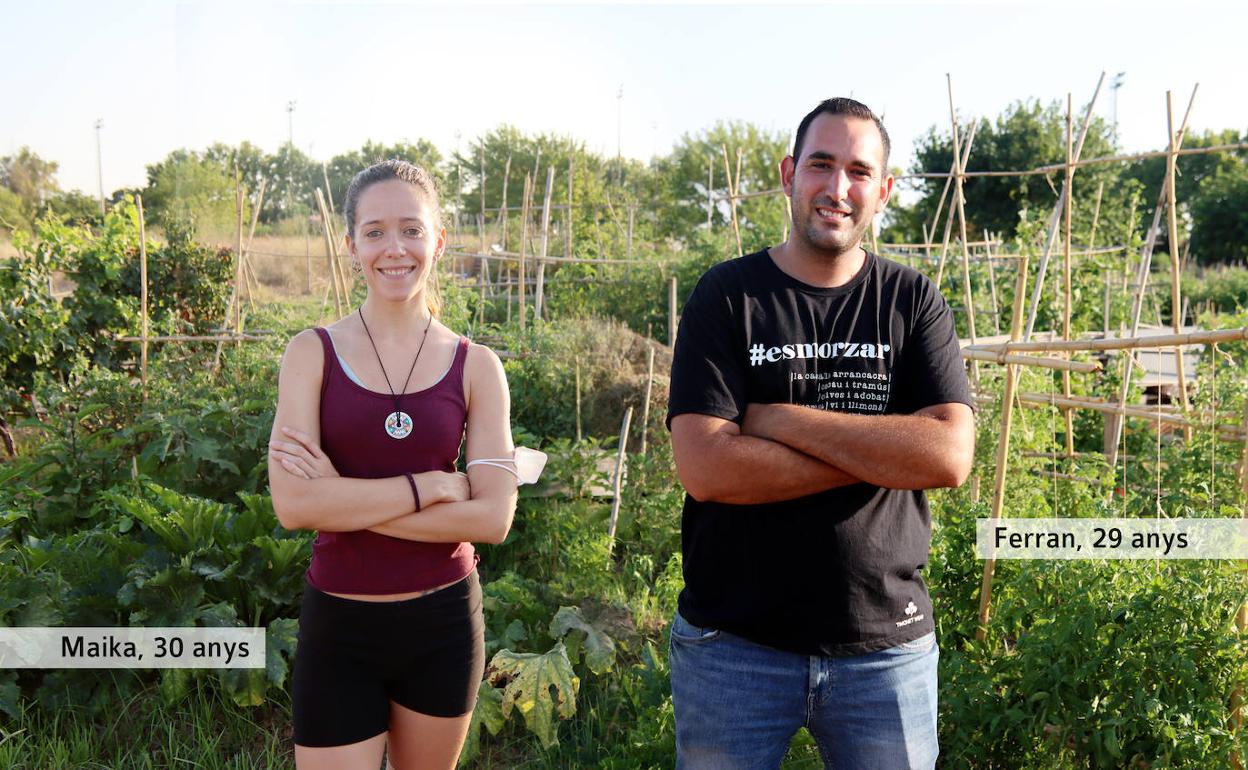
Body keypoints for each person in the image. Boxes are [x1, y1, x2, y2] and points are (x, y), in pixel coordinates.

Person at [666, 98, 975, 769]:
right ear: (789, 174)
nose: (838, 188)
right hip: (732, 647)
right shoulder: (727, 297)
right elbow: (708, 469)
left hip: (885, 648)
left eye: (860, 171)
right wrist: (888, 453)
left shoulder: (911, 300)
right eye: (821, 165)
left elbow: (949, 456)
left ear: (884, 191)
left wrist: (779, 422)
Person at [267, 159, 517, 770]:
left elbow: (490, 519)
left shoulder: (477, 365)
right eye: (374, 231)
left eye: (410, 228)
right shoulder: (311, 354)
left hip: (444, 623)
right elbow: (294, 505)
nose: (394, 248)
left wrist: (343, 500)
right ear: (350, 245)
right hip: (340, 625)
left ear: (438, 239)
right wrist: (430, 486)